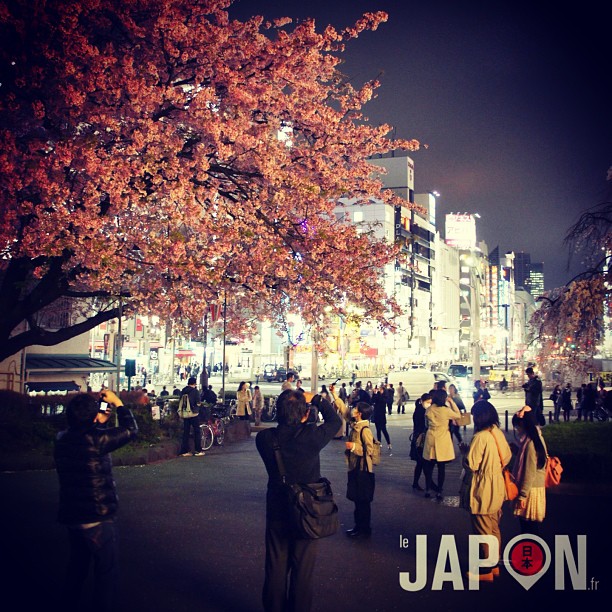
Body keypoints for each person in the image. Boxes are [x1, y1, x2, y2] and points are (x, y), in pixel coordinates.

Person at [255, 391, 340, 612]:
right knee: (303, 570)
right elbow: (335, 421)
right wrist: (318, 399)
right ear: (304, 414)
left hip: (277, 507)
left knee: (275, 567)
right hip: (307, 510)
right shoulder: (311, 437)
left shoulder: (265, 439)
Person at [54, 390, 138, 611]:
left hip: (73, 517)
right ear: (91, 418)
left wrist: (98, 415)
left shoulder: (62, 440)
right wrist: (117, 403)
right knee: (106, 573)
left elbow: (87, 433)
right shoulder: (96, 440)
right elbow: (130, 430)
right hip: (97, 517)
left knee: (77, 568)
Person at [460, 399, 511, 582]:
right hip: (497, 485)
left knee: (482, 530)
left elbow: (471, 464)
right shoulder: (497, 432)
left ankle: (486, 571)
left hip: (483, 488)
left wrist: (465, 453)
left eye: (474, 415)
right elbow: (507, 456)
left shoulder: (480, 437)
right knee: (494, 527)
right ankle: (494, 565)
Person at [511, 406, 548, 535]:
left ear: (523, 424)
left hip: (530, 490)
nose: (517, 429)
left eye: (517, 426)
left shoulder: (530, 443)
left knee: (528, 527)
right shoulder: (536, 438)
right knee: (531, 527)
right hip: (534, 488)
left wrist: (522, 495)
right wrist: (517, 451)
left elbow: (529, 471)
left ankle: (531, 553)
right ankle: (531, 552)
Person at [422, 388, 462, 500]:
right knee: (441, 467)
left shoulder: (429, 410)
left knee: (429, 466)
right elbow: (458, 415)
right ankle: (439, 491)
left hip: (431, 438)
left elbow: (426, 424)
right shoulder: (446, 410)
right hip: (442, 439)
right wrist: (452, 402)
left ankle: (428, 489)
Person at [345, 401, 376, 538]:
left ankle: (364, 529)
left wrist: (353, 447)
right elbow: (344, 412)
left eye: (356, 409)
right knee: (358, 501)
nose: (353, 410)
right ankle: (359, 527)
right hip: (356, 468)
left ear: (360, 413)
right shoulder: (356, 425)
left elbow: (369, 450)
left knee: (363, 501)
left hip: (363, 470)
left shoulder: (365, 430)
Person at [410, 393, 431, 491]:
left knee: (420, 463)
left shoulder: (419, 409)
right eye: (428, 402)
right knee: (422, 462)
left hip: (418, 438)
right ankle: (429, 484)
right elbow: (421, 425)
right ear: (422, 401)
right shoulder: (421, 411)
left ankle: (416, 483)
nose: (429, 404)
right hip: (420, 439)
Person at [179, 377, 204, 456]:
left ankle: (184, 451)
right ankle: (198, 450)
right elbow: (198, 402)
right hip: (193, 414)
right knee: (196, 431)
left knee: (186, 432)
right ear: (194, 383)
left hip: (185, 414)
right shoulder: (195, 391)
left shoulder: (183, 390)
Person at [371, 385, 392, 454]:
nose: (380, 390)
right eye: (379, 389)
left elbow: (382, 400)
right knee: (378, 430)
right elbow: (372, 401)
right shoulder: (377, 395)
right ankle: (379, 443)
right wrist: (374, 393)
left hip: (382, 415)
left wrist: (377, 394)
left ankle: (389, 443)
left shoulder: (384, 397)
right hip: (377, 415)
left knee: (384, 430)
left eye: (381, 390)